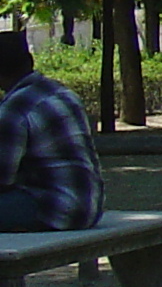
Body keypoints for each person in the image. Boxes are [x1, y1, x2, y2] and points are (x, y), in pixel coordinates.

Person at [0, 30, 103, 232]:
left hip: (51, 207)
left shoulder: (13, 109)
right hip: (89, 205)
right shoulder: (61, 92)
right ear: (29, 61)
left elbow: (2, 179)